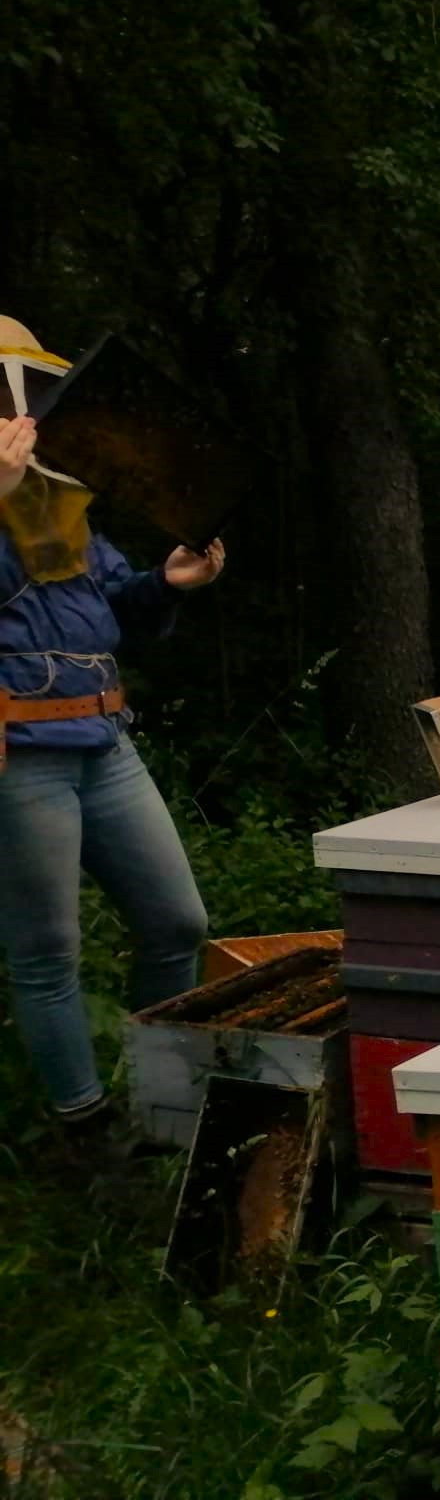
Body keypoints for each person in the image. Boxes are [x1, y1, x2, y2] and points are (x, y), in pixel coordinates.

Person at [0, 325, 227, 1143]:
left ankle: (160, 1106)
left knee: (177, 923)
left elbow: (106, 608)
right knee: (47, 953)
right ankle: (87, 1135)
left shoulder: (53, 495)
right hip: (16, 756)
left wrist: (163, 584)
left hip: (103, 742)